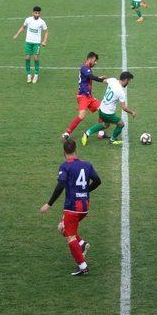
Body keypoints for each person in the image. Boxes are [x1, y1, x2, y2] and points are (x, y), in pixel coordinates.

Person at [39, 138, 101, 276]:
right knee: (62, 227)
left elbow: (61, 185)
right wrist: (86, 192)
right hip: (84, 207)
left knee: (70, 237)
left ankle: (83, 266)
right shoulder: (87, 165)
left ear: (63, 152)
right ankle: (82, 244)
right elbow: (97, 181)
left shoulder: (65, 166)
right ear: (76, 150)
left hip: (72, 207)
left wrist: (48, 204)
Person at [82, 72, 136, 146]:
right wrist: (132, 112)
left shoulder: (113, 80)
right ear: (126, 80)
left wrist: (103, 77)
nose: (128, 83)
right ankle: (112, 140)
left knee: (105, 125)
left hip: (101, 109)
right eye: (129, 81)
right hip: (108, 113)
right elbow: (124, 108)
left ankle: (87, 133)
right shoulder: (121, 92)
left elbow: (102, 80)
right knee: (121, 124)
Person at [63, 52, 106, 139]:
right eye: (95, 60)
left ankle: (101, 133)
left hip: (88, 97)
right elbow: (91, 76)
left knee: (103, 109)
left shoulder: (88, 68)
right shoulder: (84, 67)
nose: (95, 63)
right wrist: (100, 79)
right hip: (82, 97)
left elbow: (90, 77)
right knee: (82, 115)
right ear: (90, 59)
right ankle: (66, 134)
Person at [13, 6, 49, 83]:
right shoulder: (28, 20)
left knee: (36, 58)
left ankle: (36, 75)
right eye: (36, 13)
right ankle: (29, 75)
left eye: (38, 13)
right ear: (33, 13)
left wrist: (44, 41)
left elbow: (46, 32)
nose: (37, 14)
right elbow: (23, 27)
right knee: (27, 58)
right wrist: (17, 34)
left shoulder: (42, 22)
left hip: (36, 43)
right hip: (28, 42)